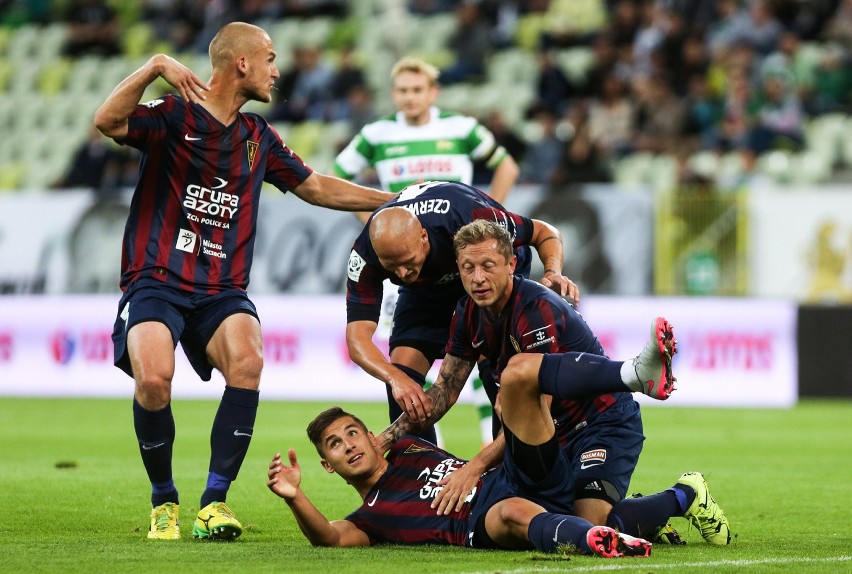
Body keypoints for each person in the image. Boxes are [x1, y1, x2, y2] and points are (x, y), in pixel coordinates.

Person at [93, 21, 395, 541]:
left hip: (220, 290)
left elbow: (317, 187)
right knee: (153, 380)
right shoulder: (173, 116)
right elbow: (107, 121)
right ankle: (164, 501)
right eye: (271, 59)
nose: (277, 71)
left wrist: (391, 201)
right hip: (156, 279)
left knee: (249, 361)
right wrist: (154, 66)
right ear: (242, 63)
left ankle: (214, 504)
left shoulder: (258, 137)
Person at [375, 220, 731, 545]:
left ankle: (685, 494)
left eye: (488, 266)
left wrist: (476, 466)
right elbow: (445, 390)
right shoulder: (467, 314)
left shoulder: (536, 309)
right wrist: (387, 439)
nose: (478, 278)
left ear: (511, 265)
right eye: (468, 268)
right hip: (548, 435)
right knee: (557, 525)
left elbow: (533, 404)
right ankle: (639, 507)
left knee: (588, 525)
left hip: (600, 425)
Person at [266, 320, 701, 556]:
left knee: (517, 384)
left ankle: (624, 375)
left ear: (370, 433)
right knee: (542, 516)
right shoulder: (371, 517)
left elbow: (437, 404)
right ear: (329, 465)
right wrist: (293, 496)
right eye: (336, 445)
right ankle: (680, 497)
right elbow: (330, 538)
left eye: (352, 432)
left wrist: (508, 432)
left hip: (510, 472)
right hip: (480, 521)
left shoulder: (404, 444)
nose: (350, 445)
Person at [334, 56, 522, 445]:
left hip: (460, 251)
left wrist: (487, 224)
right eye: (402, 90)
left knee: (494, 369)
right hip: (411, 262)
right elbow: (339, 177)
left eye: (417, 89)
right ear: (393, 94)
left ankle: (498, 460)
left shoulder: (461, 128)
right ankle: (423, 470)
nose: (410, 97)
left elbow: (507, 166)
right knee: (404, 369)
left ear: (433, 92)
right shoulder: (377, 134)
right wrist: (379, 229)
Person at [345, 181, 578, 446]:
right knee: (403, 379)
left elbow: (543, 231)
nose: (401, 274)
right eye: (391, 267)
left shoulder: (469, 218)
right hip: (427, 289)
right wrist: (395, 378)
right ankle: (421, 473)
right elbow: (357, 339)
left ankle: (513, 470)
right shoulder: (365, 256)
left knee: (502, 374)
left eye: (406, 262)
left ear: (423, 237)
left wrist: (552, 272)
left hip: (489, 279)